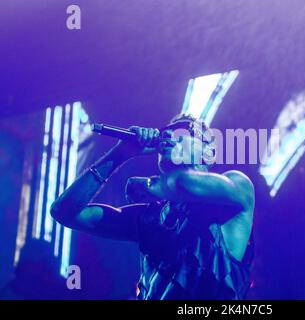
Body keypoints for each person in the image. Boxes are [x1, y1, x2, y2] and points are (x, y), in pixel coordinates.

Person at [50, 114, 255, 299]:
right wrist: (120, 154)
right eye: (165, 133)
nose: (168, 137)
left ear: (209, 152)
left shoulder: (237, 188)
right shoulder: (151, 217)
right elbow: (64, 212)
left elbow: (183, 183)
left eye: (184, 130)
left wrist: (151, 185)